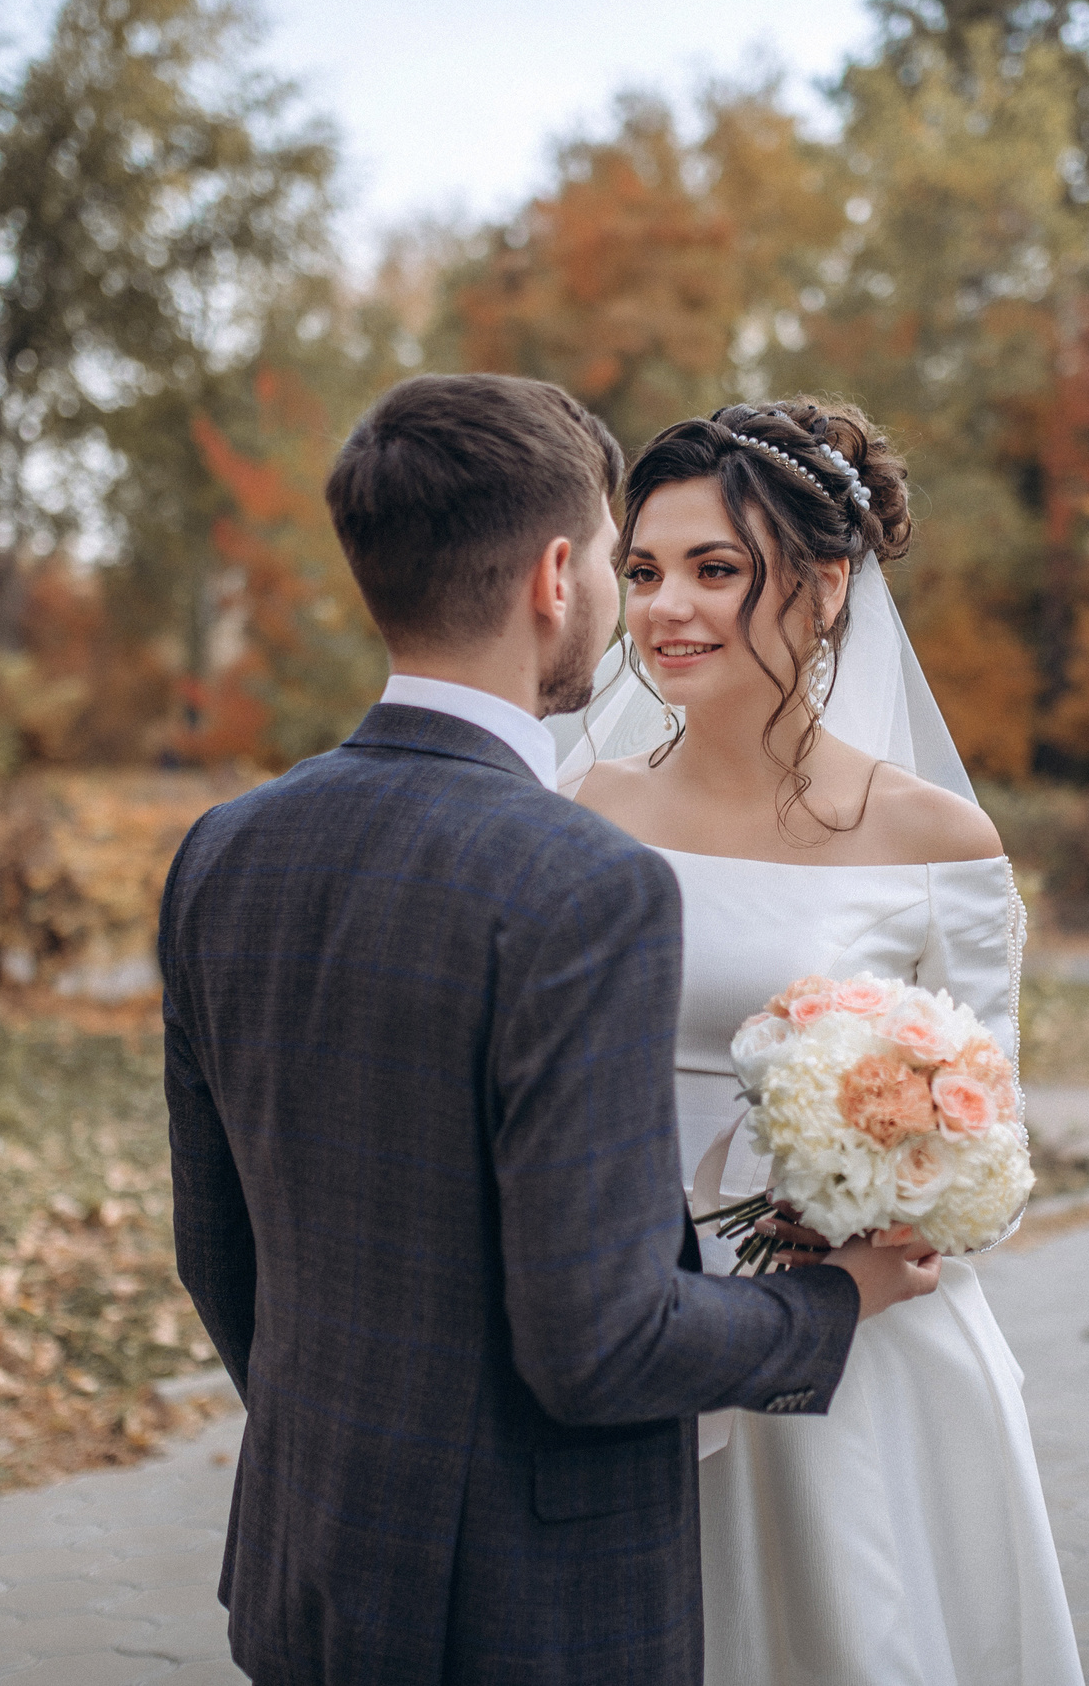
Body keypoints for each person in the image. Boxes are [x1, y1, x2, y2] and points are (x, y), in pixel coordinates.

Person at [159, 374, 943, 1686]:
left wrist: (351, 1444)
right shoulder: (584, 884)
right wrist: (833, 1300)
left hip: (313, 1558)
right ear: (558, 574)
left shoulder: (225, 849)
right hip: (534, 1609)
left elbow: (215, 1250)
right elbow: (603, 1343)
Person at [561, 399, 1085, 1686]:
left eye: (715, 568)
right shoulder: (584, 811)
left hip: (853, 1350)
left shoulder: (934, 840)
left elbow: (986, 1147)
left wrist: (868, 1217)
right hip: (637, 1320)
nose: (664, 607)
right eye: (642, 570)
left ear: (828, 583)